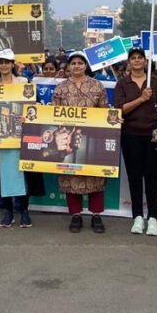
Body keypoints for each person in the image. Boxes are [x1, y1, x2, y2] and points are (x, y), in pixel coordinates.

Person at [0, 49, 45, 228]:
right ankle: (8, 211)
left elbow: (35, 105)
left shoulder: (24, 82)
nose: (4, 66)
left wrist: (28, 116)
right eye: (1, 62)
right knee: (3, 175)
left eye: (7, 62)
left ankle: (24, 211)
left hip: (21, 135)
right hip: (0, 137)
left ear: (12, 64)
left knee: (23, 172)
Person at [53, 51, 110, 233]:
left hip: (92, 139)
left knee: (95, 175)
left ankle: (96, 215)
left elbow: (105, 112)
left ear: (86, 66)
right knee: (70, 175)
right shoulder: (61, 88)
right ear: (68, 67)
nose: (77, 66)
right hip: (68, 140)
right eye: (73, 63)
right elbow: (53, 114)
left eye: (80, 63)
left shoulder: (97, 86)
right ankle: (75, 215)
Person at [114, 48, 157, 236]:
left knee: (151, 177)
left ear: (145, 61)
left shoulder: (155, 81)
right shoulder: (122, 83)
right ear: (129, 62)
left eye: (140, 58)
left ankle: (153, 217)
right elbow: (119, 109)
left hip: (151, 135)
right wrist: (141, 98)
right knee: (134, 177)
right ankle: (137, 216)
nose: (136, 61)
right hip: (130, 135)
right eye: (133, 58)